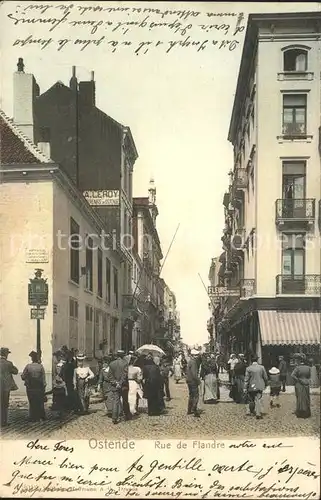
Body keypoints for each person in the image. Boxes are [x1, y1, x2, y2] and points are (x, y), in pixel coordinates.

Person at [21, 351, 46, 422]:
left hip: (30, 387)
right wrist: (44, 387)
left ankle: (32, 416)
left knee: (32, 401)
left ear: (32, 358)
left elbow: (23, 376)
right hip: (39, 387)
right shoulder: (40, 366)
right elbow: (43, 379)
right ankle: (40, 416)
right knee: (39, 401)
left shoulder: (28, 366)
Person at [107, 349, 129, 424]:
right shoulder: (125, 363)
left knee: (115, 401)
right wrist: (120, 383)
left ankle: (114, 418)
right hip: (123, 386)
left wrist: (115, 383)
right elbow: (125, 375)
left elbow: (109, 376)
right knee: (125, 401)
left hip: (115, 386)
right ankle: (127, 415)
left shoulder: (112, 363)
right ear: (123, 355)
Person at [244, 355, 268, 420]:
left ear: (251, 361)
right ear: (257, 360)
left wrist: (245, 387)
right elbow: (265, 377)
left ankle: (251, 411)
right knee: (258, 399)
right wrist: (266, 384)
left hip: (251, 386)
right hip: (260, 385)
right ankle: (258, 414)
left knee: (251, 399)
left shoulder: (248, 368)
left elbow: (246, 379)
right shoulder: (261, 367)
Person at [0, 347, 18, 428]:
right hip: (6, 387)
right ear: (6, 354)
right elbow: (16, 372)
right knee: (5, 404)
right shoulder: (9, 363)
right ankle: (3, 422)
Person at [291, 354, 311, 419]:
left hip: (299, 384)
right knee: (306, 397)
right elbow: (309, 376)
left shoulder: (297, 368)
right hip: (306, 384)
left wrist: (298, 379)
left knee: (299, 397)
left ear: (300, 361)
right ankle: (307, 412)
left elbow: (292, 375)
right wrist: (306, 380)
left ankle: (300, 412)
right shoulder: (308, 368)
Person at [186, 349, 201, 417]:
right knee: (196, 395)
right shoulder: (194, 362)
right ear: (193, 355)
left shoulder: (190, 361)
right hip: (193, 381)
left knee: (191, 395)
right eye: (196, 355)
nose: (197, 356)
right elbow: (194, 374)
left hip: (189, 381)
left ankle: (189, 410)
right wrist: (198, 381)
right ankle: (194, 410)